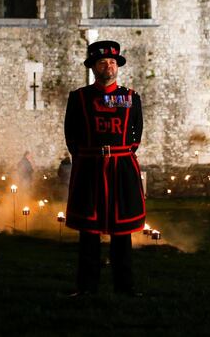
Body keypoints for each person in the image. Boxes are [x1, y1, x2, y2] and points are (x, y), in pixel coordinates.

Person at [63, 40, 145, 297]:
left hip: (121, 169)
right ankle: (86, 288)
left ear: (117, 66)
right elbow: (71, 135)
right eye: (102, 62)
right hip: (90, 169)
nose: (108, 66)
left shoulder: (130, 97)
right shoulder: (79, 98)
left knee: (122, 234)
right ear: (94, 67)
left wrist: (119, 154)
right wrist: (89, 157)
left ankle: (125, 287)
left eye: (112, 62)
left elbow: (136, 133)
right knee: (89, 233)